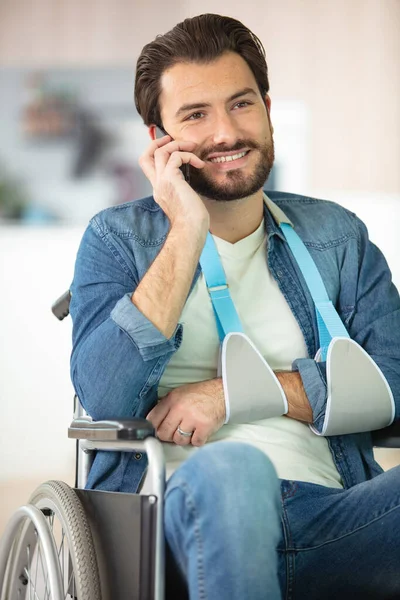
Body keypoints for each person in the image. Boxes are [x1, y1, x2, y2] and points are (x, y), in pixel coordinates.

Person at [69, 13, 400, 600]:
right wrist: (187, 230)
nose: (225, 132)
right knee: (236, 470)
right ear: (158, 141)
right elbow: (105, 396)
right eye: (195, 115)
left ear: (267, 109)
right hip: (180, 519)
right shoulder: (118, 240)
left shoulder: (337, 236)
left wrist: (230, 395)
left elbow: (395, 384)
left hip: (336, 516)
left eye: (241, 104)